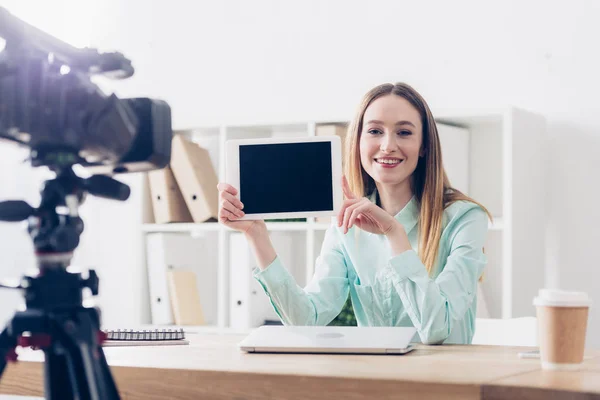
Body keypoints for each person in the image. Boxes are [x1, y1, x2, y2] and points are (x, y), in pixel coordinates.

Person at [217, 82, 492, 345]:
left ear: (424, 147)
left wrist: (394, 234)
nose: (387, 145)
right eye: (374, 131)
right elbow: (306, 319)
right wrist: (256, 236)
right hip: (374, 381)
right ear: (358, 142)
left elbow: (436, 329)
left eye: (404, 132)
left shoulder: (465, 219)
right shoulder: (346, 225)